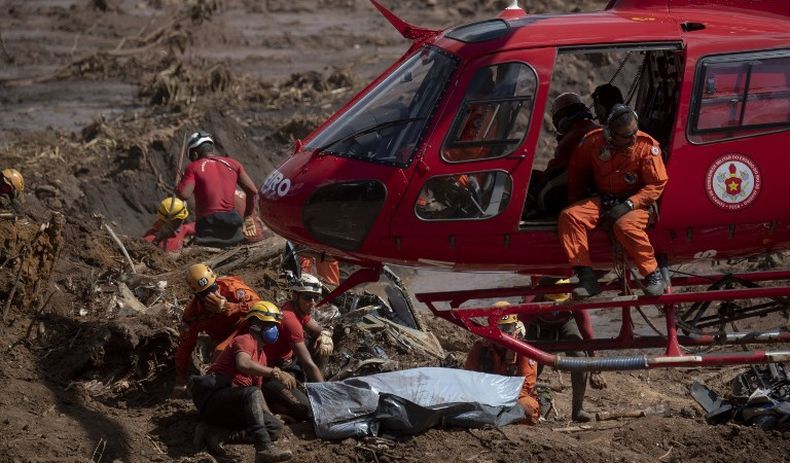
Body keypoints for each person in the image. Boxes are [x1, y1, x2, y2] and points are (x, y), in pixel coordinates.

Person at [559, 104, 669, 298]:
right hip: (606, 199)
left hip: (638, 203)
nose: (632, 138)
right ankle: (586, 277)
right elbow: (577, 171)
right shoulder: (593, 142)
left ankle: (653, 275)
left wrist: (628, 205)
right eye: (626, 136)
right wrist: (574, 200)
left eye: (634, 133)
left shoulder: (647, 146)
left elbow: (656, 185)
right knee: (570, 216)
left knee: (625, 226)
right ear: (610, 133)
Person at [190, 301, 293, 463]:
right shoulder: (245, 339)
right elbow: (243, 364)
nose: (275, 330)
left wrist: (270, 416)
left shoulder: (262, 356)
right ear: (257, 324)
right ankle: (264, 448)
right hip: (213, 397)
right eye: (270, 325)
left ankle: (217, 433)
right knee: (251, 393)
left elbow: (257, 394)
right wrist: (275, 372)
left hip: (234, 404)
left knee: (274, 428)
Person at [173, 263, 261, 396]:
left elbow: (259, 305)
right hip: (224, 339)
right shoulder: (193, 313)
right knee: (219, 355)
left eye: (213, 288)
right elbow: (185, 346)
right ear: (197, 295)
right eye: (205, 294)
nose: (213, 295)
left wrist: (231, 307)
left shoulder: (231, 288)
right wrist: (180, 379)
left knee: (221, 352)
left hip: (247, 327)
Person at [263, 273, 333, 421]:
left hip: (288, 364)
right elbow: (307, 363)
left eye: (315, 298)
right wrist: (327, 396)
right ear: (295, 296)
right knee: (308, 411)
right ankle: (278, 406)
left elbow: (317, 330)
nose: (312, 303)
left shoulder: (298, 310)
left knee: (321, 342)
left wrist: (326, 334)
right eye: (307, 297)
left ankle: (313, 387)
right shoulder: (290, 320)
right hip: (272, 373)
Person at [525, 279, 597, 422]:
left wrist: (594, 358)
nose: (557, 306)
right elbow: (522, 327)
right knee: (531, 364)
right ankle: (526, 405)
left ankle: (578, 410)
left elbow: (585, 328)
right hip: (538, 326)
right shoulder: (531, 300)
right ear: (543, 295)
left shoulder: (575, 298)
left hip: (565, 324)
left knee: (579, 357)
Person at [176, 130, 259, 247]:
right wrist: (248, 216)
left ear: (194, 154)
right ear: (211, 149)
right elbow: (253, 191)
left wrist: (180, 185)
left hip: (208, 226)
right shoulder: (233, 163)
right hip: (233, 224)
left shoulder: (193, 167)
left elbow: (183, 195)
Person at [463, 303, 540, 425]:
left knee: (528, 407)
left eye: (507, 329)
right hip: (484, 395)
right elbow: (469, 377)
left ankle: (497, 417)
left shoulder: (524, 350)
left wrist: (501, 400)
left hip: (512, 398)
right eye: (498, 329)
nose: (502, 334)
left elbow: (526, 386)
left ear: (515, 329)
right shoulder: (481, 348)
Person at [527, 93, 599, 217]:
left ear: (562, 120)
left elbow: (554, 171)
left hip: (573, 195)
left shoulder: (571, 139)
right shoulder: (598, 130)